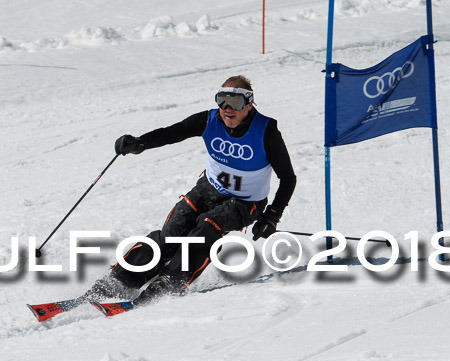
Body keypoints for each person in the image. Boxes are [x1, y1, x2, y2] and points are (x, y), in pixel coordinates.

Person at [86, 75, 297, 305]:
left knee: (206, 227)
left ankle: (170, 282)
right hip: (208, 188)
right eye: (222, 100)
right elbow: (172, 132)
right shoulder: (209, 120)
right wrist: (140, 143)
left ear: (249, 103)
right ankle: (121, 280)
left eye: (235, 103)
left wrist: (272, 216)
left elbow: (288, 178)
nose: (227, 109)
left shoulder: (266, 131)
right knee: (174, 228)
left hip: (246, 202)